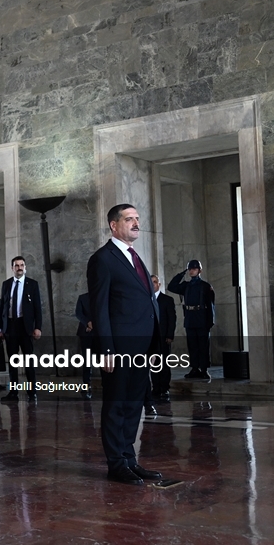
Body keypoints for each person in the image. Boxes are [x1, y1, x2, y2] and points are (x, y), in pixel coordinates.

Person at [87, 204, 163, 486]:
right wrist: (106, 349)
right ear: (113, 225)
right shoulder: (102, 259)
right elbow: (100, 308)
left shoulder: (135, 257)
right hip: (118, 348)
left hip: (142, 346)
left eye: (137, 219)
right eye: (129, 219)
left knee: (134, 405)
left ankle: (129, 459)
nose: (136, 223)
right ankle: (116, 464)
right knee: (117, 404)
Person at [0, 256, 43, 401]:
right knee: (12, 361)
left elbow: (37, 308)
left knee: (29, 360)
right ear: (12, 268)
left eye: (22, 265)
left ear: (25, 267)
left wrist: (38, 327)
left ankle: (32, 392)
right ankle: (14, 392)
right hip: (10, 326)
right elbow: (2, 307)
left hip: (26, 327)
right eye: (16, 265)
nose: (19, 268)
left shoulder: (32, 284)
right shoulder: (6, 284)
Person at [167, 259, 215, 381]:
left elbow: (211, 305)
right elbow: (171, 286)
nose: (191, 271)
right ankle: (194, 368)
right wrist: (181, 274)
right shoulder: (185, 286)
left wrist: (210, 322)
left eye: (194, 269)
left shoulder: (205, 286)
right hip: (190, 319)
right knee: (192, 346)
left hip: (202, 319)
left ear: (199, 270)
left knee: (203, 346)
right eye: (190, 269)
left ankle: (204, 369)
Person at [152, 275, 177, 403]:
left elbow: (172, 319)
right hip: (151, 338)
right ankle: (155, 388)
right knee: (153, 364)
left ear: (159, 284)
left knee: (164, 363)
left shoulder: (167, 300)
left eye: (155, 282)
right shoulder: (146, 300)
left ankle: (165, 388)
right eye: (151, 282)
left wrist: (169, 335)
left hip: (163, 337)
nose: (153, 284)